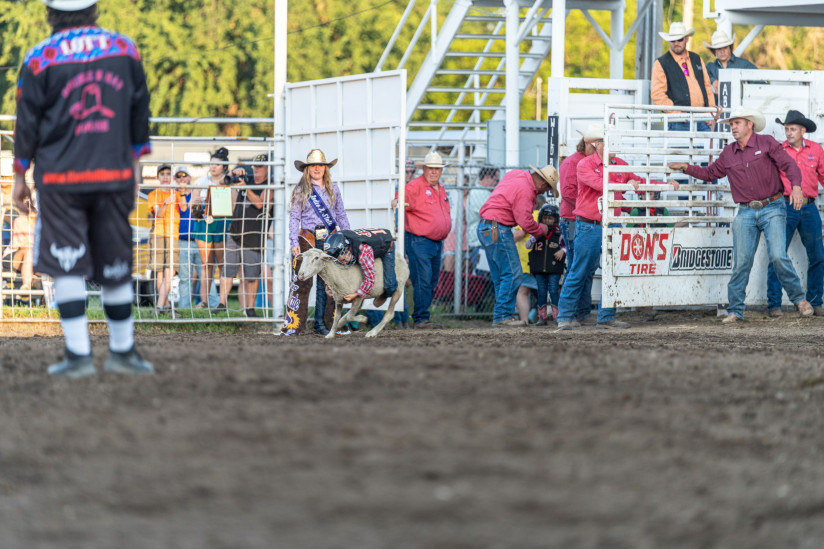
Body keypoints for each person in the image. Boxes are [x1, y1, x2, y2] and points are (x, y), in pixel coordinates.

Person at [12, 0, 153, 376]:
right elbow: (140, 112)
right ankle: (123, 351)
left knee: (66, 262)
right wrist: (136, 166)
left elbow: (26, 123)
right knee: (116, 263)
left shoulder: (40, 57)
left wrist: (18, 175)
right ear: (94, 10)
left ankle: (78, 355)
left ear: (50, 13)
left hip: (60, 179)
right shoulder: (124, 49)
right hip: (113, 174)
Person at [668, 106, 814, 323]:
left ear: (749, 124)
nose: (733, 127)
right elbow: (710, 174)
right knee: (742, 262)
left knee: (777, 255)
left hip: (773, 206)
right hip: (746, 210)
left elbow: (789, 165)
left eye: (737, 123)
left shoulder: (766, 143)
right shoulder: (729, 152)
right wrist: (686, 167)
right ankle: (735, 310)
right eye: (731, 124)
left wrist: (796, 186)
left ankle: (799, 300)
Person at [557, 126, 680, 330]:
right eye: (608, 142)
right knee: (581, 270)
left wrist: (663, 183)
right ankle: (569, 315)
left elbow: (640, 180)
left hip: (603, 223)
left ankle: (596, 316)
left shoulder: (611, 165)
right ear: (598, 144)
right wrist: (628, 183)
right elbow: (603, 185)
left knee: (610, 270)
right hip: (591, 224)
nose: (613, 147)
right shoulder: (586, 165)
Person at [477, 164, 559, 327]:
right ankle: (502, 316)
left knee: (501, 275)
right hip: (498, 227)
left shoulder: (516, 175)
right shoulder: (527, 190)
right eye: (547, 188)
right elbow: (525, 222)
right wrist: (542, 229)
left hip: (486, 226)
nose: (543, 192)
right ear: (544, 184)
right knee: (513, 273)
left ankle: (500, 316)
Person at [281, 149, 350, 335]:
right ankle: (294, 325)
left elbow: (341, 214)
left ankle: (326, 324)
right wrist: (293, 240)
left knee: (329, 283)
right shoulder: (301, 190)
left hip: (330, 239)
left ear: (325, 168)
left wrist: (349, 236)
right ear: (308, 169)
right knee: (302, 281)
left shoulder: (333, 188)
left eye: (320, 165)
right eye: (313, 165)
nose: (317, 168)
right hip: (307, 239)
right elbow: (295, 218)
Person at [765, 110, 824, 318]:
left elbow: (823, 175)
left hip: (808, 206)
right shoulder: (779, 150)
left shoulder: (816, 150)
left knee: (817, 255)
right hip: (786, 205)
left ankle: (816, 301)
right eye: (786, 129)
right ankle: (774, 303)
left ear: (802, 130)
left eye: (792, 129)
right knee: (778, 254)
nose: (788, 133)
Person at [213, 154, 273, 318]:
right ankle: (221, 304)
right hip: (235, 232)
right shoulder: (244, 179)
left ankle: (250, 308)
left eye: (260, 166)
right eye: (254, 166)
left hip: (254, 236)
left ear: (268, 168)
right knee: (227, 271)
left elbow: (261, 203)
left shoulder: (270, 184)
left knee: (252, 275)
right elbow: (219, 184)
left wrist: (245, 188)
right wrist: (232, 174)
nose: (256, 169)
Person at [403, 151, 452, 329]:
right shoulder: (414, 187)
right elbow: (399, 203)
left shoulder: (441, 188)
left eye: (437, 169)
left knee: (430, 280)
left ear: (441, 171)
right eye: (431, 168)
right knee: (423, 279)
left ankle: (422, 316)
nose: (434, 172)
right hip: (419, 240)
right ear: (424, 169)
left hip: (435, 242)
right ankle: (421, 318)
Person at [651, 22, 716, 131]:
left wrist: (710, 112)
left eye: (679, 39)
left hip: (702, 118)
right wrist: (677, 112)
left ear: (686, 39)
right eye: (672, 40)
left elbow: (707, 87)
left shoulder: (697, 59)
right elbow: (657, 94)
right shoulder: (661, 63)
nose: (676, 43)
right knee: (681, 148)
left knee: (707, 147)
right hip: (678, 121)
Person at [191, 147, 231, 309]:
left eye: (217, 164)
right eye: (211, 164)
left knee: (222, 264)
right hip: (204, 223)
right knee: (206, 264)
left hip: (222, 223)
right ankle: (204, 301)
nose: (213, 167)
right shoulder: (201, 181)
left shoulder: (229, 180)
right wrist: (197, 201)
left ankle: (222, 302)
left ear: (224, 167)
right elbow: (192, 204)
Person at [323, 229, 397, 305]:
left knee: (390, 285)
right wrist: (328, 285)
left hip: (386, 244)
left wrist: (356, 294)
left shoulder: (364, 251)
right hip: (368, 240)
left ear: (347, 249)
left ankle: (386, 295)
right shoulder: (341, 241)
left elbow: (370, 278)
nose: (343, 263)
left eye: (344, 260)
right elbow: (333, 269)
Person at [147, 164, 185, 311]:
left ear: (172, 177)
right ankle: (165, 305)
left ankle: (159, 305)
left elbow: (183, 208)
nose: (165, 177)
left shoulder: (176, 193)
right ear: (158, 177)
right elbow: (159, 213)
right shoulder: (153, 194)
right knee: (160, 272)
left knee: (170, 270)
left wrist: (181, 193)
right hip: (158, 234)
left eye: (168, 174)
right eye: (162, 174)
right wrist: (165, 203)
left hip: (173, 234)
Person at [559, 129, 597, 270]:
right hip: (573, 219)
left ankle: (575, 293)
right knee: (577, 264)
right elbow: (568, 193)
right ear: (588, 144)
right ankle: (572, 293)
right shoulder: (573, 162)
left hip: (577, 219)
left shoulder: (578, 161)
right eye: (596, 146)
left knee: (579, 264)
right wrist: (589, 208)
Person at [525, 204, 565, 325]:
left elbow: (566, 246)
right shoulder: (537, 232)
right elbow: (527, 245)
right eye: (545, 218)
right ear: (541, 218)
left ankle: (558, 316)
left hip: (554, 267)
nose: (547, 220)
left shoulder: (559, 233)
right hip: (539, 268)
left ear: (555, 219)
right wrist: (536, 235)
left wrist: (562, 251)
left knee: (553, 290)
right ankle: (542, 317)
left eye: (550, 218)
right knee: (541, 291)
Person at [703, 30, 758, 99]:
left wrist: (745, 92)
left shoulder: (744, 64)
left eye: (725, 47)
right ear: (714, 51)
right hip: (717, 108)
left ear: (730, 48)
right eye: (719, 49)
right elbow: (699, 76)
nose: (722, 51)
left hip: (740, 108)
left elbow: (760, 82)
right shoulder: (709, 67)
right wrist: (713, 80)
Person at [466, 166, 500, 272]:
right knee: (482, 278)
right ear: (488, 177)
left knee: (486, 277)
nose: (497, 183)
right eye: (496, 180)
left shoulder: (483, 192)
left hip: (483, 241)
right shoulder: (480, 193)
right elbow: (491, 215)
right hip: (480, 243)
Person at [174, 165, 199, 308]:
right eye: (178, 176)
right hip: (183, 241)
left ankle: (212, 306)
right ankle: (185, 308)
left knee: (206, 275)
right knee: (185, 278)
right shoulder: (174, 195)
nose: (181, 179)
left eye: (184, 175)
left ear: (190, 177)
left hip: (200, 240)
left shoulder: (199, 193)